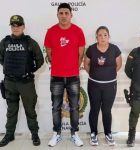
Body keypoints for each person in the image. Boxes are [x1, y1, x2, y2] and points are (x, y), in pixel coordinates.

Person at [44, 3, 85, 147]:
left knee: (74, 106)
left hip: (73, 76)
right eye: (60, 13)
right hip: (56, 76)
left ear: (71, 15)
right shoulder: (51, 31)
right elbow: (48, 51)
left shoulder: (78, 31)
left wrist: (73, 67)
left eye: (66, 13)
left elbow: (81, 53)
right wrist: (57, 64)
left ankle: (74, 134)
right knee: (56, 106)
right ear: (57, 15)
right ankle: (57, 133)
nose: (63, 16)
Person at [0, 15, 44, 147]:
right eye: (13, 25)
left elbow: (40, 60)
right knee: (11, 110)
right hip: (10, 83)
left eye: (18, 25)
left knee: (30, 110)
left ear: (23, 27)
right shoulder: (5, 42)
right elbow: (1, 59)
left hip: (26, 83)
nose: (16, 28)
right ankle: (9, 134)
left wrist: (29, 71)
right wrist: (12, 71)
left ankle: (34, 134)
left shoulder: (30, 42)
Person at [84, 26, 122, 146]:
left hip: (110, 86)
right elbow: (86, 64)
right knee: (94, 109)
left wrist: (108, 75)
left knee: (106, 110)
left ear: (108, 36)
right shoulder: (91, 49)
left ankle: (108, 134)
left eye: (105, 35)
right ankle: (93, 133)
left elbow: (119, 65)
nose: (103, 37)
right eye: (100, 35)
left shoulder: (115, 49)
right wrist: (96, 75)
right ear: (96, 37)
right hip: (94, 85)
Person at [125, 27, 140, 147]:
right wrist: (137, 80)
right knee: (134, 112)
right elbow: (127, 70)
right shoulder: (135, 52)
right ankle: (131, 135)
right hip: (137, 88)